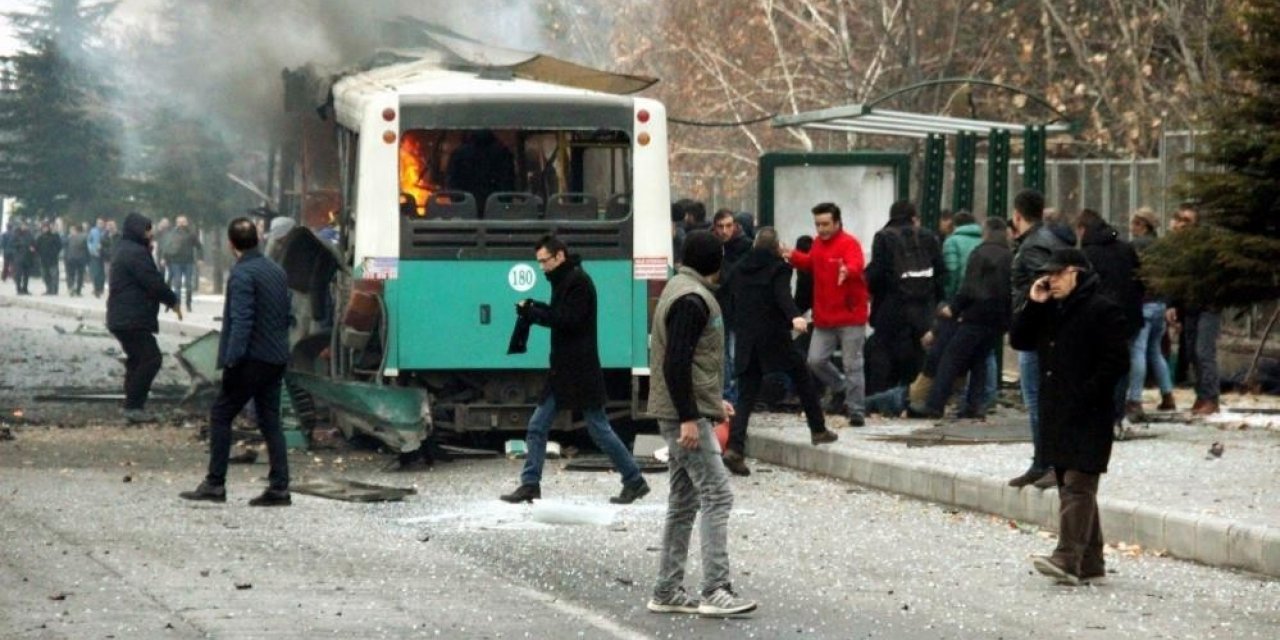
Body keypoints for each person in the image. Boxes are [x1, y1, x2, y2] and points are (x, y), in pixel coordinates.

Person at [646, 230, 757, 618]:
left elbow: (689, 364)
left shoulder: (679, 289)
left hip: (680, 411)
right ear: (717, 260)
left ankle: (667, 589)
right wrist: (691, 417)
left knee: (683, 501)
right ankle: (715, 589)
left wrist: (710, 402)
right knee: (717, 495)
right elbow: (676, 363)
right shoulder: (693, 300)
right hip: (682, 418)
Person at [500, 235, 650, 505]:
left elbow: (568, 320)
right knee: (539, 426)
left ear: (559, 256)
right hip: (566, 370)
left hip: (578, 371)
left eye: (544, 261)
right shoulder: (567, 280)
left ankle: (634, 479)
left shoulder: (577, 282)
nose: (541, 267)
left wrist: (534, 314)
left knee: (598, 429)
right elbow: (561, 313)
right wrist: (535, 307)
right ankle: (530, 483)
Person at [1010, 248, 1129, 585]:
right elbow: (1020, 339)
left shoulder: (1103, 308)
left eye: (1058, 274)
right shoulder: (1052, 308)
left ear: (1076, 272)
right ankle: (1091, 561)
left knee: (1079, 482)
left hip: (1089, 411)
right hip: (1058, 411)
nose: (1051, 280)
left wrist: (1088, 394)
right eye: (1048, 275)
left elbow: (1117, 362)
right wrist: (1033, 303)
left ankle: (1066, 557)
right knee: (1070, 482)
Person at [180, 218, 293, 506]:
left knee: (221, 414)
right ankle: (280, 487)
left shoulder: (242, 275)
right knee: (271, 422)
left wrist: (231, 361)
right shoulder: (276, 271)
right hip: (276, 357)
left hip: (250, 360)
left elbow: (242, 321)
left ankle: (215, 483)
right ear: (257, 239)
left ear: (231, 245)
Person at [721, 227, 838, 476]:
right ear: (776, 247)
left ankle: (734, 448)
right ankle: (818, 429)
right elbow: (782, 295)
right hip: (774, 337)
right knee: (802, 377)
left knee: (746, 396)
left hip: (746, 339)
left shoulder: (739, 268)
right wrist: (795, 316)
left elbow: (726, 296)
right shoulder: (779, 267)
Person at [1007, 190, 1076, 489]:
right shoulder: (1050, 238)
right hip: (1046, 330)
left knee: (1038, 400)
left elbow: (1046, 284)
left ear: (1017, 215)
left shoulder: (1034, 245)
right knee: (1042, 399)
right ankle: (1045, 462)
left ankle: (1045, 463)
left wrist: (1031, 307)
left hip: (1039, 331)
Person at [912, 217, 1012, 418]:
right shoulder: (1009, 255)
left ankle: (934, 405)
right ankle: (975, 406)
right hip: (997, 318)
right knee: (979, 360)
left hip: (976, 315)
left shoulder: (980, 253)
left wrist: (955, 308)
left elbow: (969, 287)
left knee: (951, 357)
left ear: (987, 232)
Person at [786, 202, 869, 426]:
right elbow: (810, 263)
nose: (821, 229)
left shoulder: (849, 243)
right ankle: (841, 386)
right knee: (815, 360)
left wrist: (847, 271)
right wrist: (791, 255)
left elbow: (856, 264)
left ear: (837, 223)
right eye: (818, 224)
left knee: (853, 363)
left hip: (850, 315)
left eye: (825, 224)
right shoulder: (817, 245)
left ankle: (856, 410)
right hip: (825, 316)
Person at [106, 213, 182, 423]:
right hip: (131, 316)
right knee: (151, 358)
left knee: (137, 359)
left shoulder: (125, 248)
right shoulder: (136, 253)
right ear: (138, 230)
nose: (151, 233)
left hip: (123, 316)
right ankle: (133, 406)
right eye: (147, 230)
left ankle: (132, 405)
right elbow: (152, 281)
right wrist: (172, 300)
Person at [865, 200, 946, 395]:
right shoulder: (928, 237)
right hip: (923, 309)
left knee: (884, 354)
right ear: (913, 217)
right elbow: (941, 273)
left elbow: (876, 274)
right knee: (918, 356)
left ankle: (882, 398)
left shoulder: (884, 237)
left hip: (891, 308)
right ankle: (914, 398)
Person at [1074, 208, 1143, 427]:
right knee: (1121, 365)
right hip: (1128, 317)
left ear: (1082, 229)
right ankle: (1116, 415)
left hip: (1098, 319)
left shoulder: (1086, 255)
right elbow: (1139, 281)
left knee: (1095, 367)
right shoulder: (1126, 249)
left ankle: (1098, 415)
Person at [1164, 205, 1220, 415]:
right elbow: (1174, 279)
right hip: (1189, 306)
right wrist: (1172, 305)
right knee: (1191, 352)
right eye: (1178, 219)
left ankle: (1210, 397)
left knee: (1203, 351)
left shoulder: (1206, 249)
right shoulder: (1176, 249)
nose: (1180, 225)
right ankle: (1201, 395)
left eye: (1186, 221)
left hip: (1207, 304)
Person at [1126, 208, 1176, 414]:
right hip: (1160, 305)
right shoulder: (1164, 247)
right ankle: (1167, 395)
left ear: (1142, 225)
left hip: (1143, 304)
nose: (1131, 228)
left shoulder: (1134, 247)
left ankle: (1135, 399)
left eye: (1134, 224)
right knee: (1155, 352)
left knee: (1137, 351)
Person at [713, 208, 753, 407]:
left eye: (728, 226)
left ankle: (735, 395)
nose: (724, 231)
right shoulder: (716, 247)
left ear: (736, 226)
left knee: (735, 353)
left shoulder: (746, 247)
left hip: (740, 307)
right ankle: (729, 395)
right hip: (723, 306)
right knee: (725, 353)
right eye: (720, 227)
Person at [163, 215, 202, 312]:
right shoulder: (172, 234)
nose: (181, 224)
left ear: (186, 223)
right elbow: (166, 247)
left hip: (188, 262)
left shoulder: (191, 234)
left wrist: (200, 259)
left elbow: (199, 246)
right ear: (176, 223)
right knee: (177, 284)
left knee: (188, 284)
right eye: (179, 222)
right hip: (175, 262)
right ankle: (178, 303)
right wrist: (164, 258)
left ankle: (188, 303)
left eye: (183, 222)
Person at [35, 221, 62, 295]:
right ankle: (48, 289)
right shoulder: (40, 237)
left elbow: (59, 246)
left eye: (46, 227)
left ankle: (54, 290)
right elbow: (36, 247)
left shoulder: (54, 236)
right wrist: (38, 254)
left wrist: (54, 253)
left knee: (54, 276)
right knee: (45, 276)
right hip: (43, 260)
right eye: (43, 228)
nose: (45, 229)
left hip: (52, 260)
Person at [10, 220, 36, 295]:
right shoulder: (17, 234)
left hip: (27, 257)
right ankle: (18, 289)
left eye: (25, 225)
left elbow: (33, 243)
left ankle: (25, 289)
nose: (24, 227)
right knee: (18, 274)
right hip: (19, 257)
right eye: (23, 225)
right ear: (20, 226)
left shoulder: (30, 234)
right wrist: (21, 245)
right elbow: (12, 243)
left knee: (26, 275)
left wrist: (33, 247)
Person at [64, 223, 89, 296]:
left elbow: (65, 246)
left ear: (76, 230)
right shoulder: (84, 237)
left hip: (70, 258)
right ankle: (78, 291)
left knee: (71, 274)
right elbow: (86, 249)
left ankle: (71, 287)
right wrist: (88, 259)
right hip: (81, 259)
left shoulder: (70, 237)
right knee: (80, 275)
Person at [87, 217, 107, 297]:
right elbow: (89, 241)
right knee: (96, 272)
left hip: (103, 254)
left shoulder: (105, 232)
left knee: (102, 273)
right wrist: (91, 249)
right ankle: (96, 288)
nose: (100, 225)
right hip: (94, 254)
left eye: (101, 223)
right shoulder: (93, 231)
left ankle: (101, 288)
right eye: (98, 223)